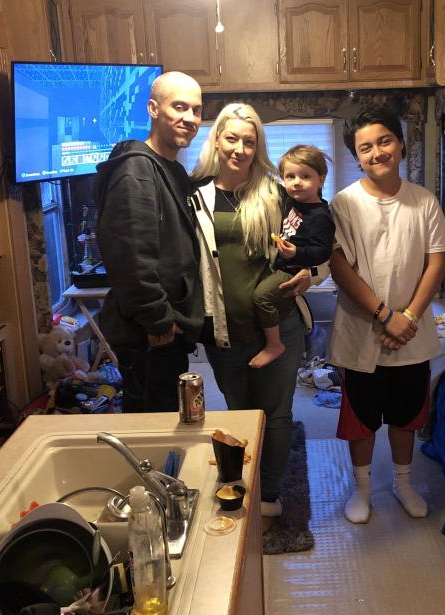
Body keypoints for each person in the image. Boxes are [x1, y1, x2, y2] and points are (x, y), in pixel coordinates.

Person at [328, 104, 445, 524]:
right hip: (362, 329)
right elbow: (340, 266)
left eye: (384, 141)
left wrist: (410, 319)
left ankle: (403, 483)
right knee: (361, 416)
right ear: (357, 155)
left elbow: (435, 263)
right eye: (366, 147)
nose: (377, 152)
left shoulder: (424, 201)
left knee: (406, 415)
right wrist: (386, 315)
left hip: (412, 332)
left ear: (400, 144)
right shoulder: (344, 204)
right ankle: (361, 490)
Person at [189, 103, 313, 518]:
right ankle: (241, 480)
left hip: (280, 326)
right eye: (232, 138)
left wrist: (313, 271)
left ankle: (270, 494)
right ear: (217, 140)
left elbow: (318, 238)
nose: (240, 149)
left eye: (249, 140)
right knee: (239, 414)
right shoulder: (195, 193)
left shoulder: (276, 191)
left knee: (277, 416)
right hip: (225, 331)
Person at [95, 71, 203, 413]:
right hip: (150, 333)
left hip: (166, 328)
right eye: (179, 107)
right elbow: (132, 257)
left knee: (173, 417)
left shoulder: (170, 169)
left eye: (197, 110)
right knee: (153, 429)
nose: (189, 118)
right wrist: (158, 320)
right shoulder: (136, 171)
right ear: (153, 109)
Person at [249, 145, 335, 368]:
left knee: (261, 297)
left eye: (306, 176)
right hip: (282, 264)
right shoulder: (292, 203)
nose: (297, 182)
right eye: (290, 176)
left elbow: (323, 251)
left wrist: (297, 252)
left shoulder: (320, 216)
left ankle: (274, 344)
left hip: (292, 270)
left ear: (321, 179)